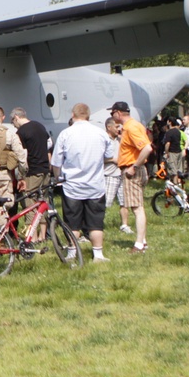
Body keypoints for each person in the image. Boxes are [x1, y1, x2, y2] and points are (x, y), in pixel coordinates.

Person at [51, 103, 112, 262]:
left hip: (72, 185)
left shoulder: (66, 134)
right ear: (89, 115)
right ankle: (98, 253)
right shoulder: (100, 133)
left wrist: (58, 178)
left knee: (72, 223)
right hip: (95, 185)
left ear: (73, 114)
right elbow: (109, 155)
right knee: (96, 223)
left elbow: (56, 162)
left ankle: (72, 252)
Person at [111, 101, 153, 253]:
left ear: (118, 113)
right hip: (135, 169)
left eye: (112, 113)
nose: (112, 116)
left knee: (137, 208)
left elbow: (147, 148)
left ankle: (140, 244)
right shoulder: (135, 125)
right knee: (138, 206)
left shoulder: (131, 127)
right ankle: (143, 241)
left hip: (132, 171)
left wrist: (133, 167)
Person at [0, 106, 27, 226]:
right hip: (2, 175)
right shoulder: (9, 133)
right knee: (1, 208)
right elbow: (22, 158)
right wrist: (21, 177)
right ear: (3, 117)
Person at [103, 117, 131, 234]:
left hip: (121, 174)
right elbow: (98, 157)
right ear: (109, 127)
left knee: (124, 202)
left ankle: (124, 225)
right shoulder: (103, 140)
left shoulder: (120, 140)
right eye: (116, 126)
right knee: (105, 202)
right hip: (109, 175)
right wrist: (113, 160)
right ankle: (98, 225)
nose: (118, 129)